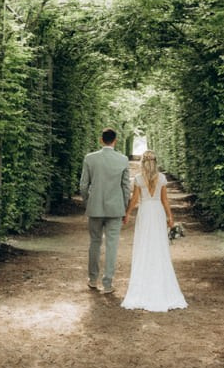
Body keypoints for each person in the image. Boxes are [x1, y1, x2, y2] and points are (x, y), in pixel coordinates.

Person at [121, 150, 187, 312]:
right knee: (159, 246)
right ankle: (160, 283)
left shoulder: (138, 179)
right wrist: (170, 217)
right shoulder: (161, 178)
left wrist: (127, 213)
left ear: (143, 162)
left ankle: (143, 282)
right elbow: (165, 200)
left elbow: (135, 200)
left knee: (144, 245)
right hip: (157, 212)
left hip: (145, 212)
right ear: (155, 162)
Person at [79, 127, 132, 294]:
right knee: (112, 245)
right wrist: (124, 207)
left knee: (94, 243)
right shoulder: (123, 160)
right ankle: (108, 283)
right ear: (115, 141)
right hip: (115, 209)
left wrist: (89, 202)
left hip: (95, 207)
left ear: (101, 140)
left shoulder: (90, 158)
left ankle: (93, 279)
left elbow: (83, 185)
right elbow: (125, 187)